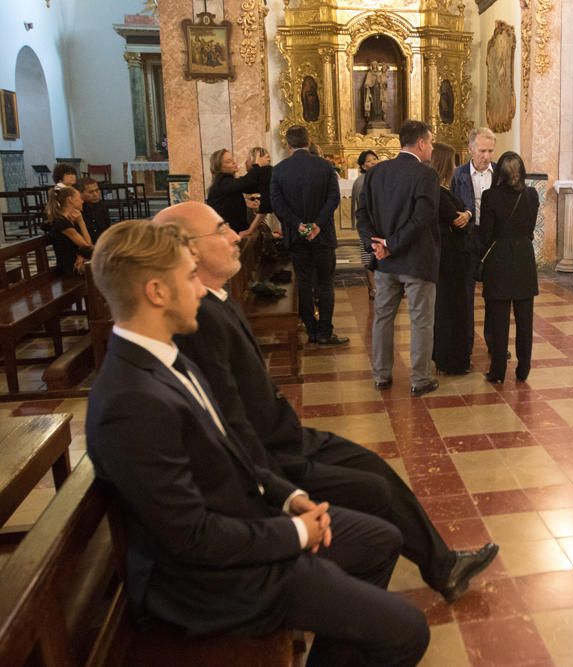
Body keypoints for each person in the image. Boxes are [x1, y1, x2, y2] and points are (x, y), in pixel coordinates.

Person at [86, 220, 429, 666]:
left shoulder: (164, 358)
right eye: (189, 278)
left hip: (244, 527)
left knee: (379, 539)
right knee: (406, 632)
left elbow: (232, 448)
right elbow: (190, 537)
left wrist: (291, 499)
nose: (199, 289)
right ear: (156, 291)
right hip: (211, 584)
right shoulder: (131, 402)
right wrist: (293, 533)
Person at [165, 201, 498, 603]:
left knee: (375, 468)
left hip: (288, 437)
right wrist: (277, 485)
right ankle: (361, 592)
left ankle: (442, 566)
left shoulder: (215, 300)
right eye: (221, 230)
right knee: (373, 489)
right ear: (189, 250)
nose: (236, 235)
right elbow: (229, 421)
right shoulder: (196, 319)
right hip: (275, 456)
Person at [356, 119, 441, 397]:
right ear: (421, 143)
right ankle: (420, 379)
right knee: (421, 320)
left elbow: (363, 214)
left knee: (383, 317)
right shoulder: (426, 175)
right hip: (416, 260)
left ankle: (381, 375)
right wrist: (391, 244)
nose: (431, 147)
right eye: (430, 142)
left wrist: (377, 246)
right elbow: (422, 218)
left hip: (386, 263)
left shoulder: (376, 172)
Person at [271, 125, 348, 346]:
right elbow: (333, 198)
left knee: (303, 282)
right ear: (309, 141)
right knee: (325, 284)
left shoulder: (279, 170)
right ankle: (325, 331)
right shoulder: (325, 166)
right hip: (322, 236)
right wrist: (317, 225)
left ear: (288, 145)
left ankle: (311, 330)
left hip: (296, 239)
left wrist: (299, 226)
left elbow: (278, 204)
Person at [479, 151, 539, 384]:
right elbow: (530, 227)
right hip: (524, 256)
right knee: (525, 319)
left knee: (498, 318)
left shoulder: (490, 197)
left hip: (499, 260)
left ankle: (498, 371)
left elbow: (486, 234)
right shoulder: (532, 195)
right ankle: (523, 369)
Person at [451, 128, 497, 360]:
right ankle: (465, 346)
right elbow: (451, 205)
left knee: (495, 295)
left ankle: (495, 344)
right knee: (466, 295)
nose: (486, 156)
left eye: (490, 151)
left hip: (492, 241)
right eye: (482, 151)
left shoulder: (499, 174)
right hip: (467, 239)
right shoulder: (458, 175)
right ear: (470, 149)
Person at [430, 142, 473, 375]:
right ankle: (452, 359)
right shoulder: (438, 191)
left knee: (451, 309)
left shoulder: (442, 190)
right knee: (452, 311)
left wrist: (466, 213)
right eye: (453, 162)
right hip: (450, 260)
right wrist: (466, 215)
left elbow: (462, 214)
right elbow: (457, 222)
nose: (456, 167)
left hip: (450, 258)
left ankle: (449, 356)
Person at [206, 148, 268, 236]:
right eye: (228, 161)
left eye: (232, 159)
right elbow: (246, 182)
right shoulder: (222, 182)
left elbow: (250, 186)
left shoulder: (227, 182)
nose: (234, 162)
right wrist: (257, 165)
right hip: (226, 236)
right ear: (218, 167)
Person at [44, 185, 92, 276]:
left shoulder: (71, 219)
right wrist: (81, 222)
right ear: (70, 199)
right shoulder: (61, 222)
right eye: (79, 198)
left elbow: (87, 246)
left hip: (79, 261)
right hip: (70, 267)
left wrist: (81, 255)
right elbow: (86, 246)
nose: (82, 201)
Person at [352, 150, 379, 300]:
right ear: (362, 165)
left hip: (379, 224)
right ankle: (372, 288)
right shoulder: (362, 180)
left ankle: (382, 287)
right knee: (368, 256)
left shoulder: (380, 178)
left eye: (375, 159)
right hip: (367, 225)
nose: (373, 162)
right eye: (368, 160)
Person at [244, 147, 276, 235]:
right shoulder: (249, 182)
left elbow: (265, 208)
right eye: (262, 155)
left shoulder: (270, 174)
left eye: (268, 155)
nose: (268, 157)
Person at [78, 177, 111, 242]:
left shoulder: (102, 207)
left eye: (97, 190)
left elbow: (107, 228)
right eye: (90, 192)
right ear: (80, 193)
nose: (95, 194)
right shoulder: (78, 210)